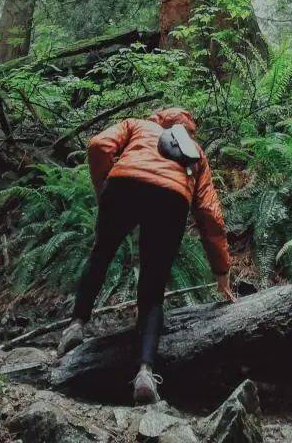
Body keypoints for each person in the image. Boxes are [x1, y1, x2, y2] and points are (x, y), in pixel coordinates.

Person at [55, 107, 234, 404]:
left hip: (123, 185)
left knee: (100, 255)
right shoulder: (196, 153)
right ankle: (144, 374)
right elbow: (209, 213)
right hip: (171, 199)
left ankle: (76, 325)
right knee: (152, 291)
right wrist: (222, 273)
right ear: (190, 129)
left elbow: (99, 145)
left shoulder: (136, 125)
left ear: (159, 117)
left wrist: (105, 189)